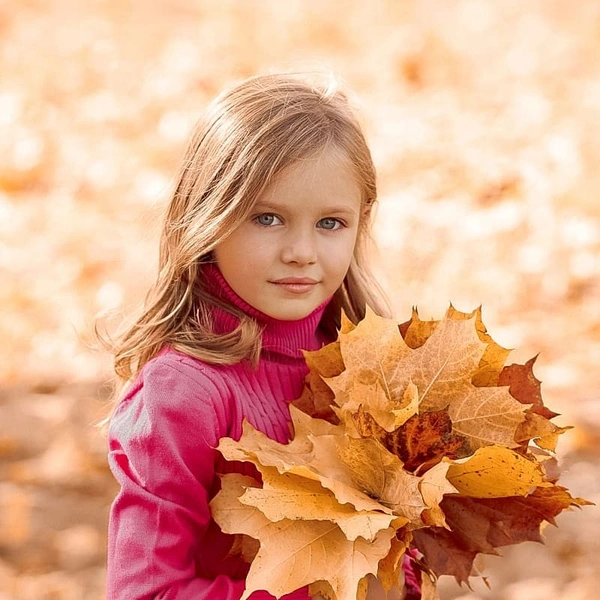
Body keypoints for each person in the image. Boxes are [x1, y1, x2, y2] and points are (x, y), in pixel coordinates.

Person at [105, 72, 421, 599]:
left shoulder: (366, 370)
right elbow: (145, 592)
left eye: (330, 224)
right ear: (208, 217)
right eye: (268, 218)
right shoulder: (183, 394)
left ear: (361, 223)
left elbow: (390, 550)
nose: (301, 250)